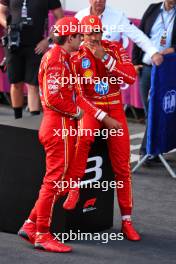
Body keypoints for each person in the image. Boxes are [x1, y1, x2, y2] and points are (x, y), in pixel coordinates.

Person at [63, 15, 141, 241]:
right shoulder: (77, 57)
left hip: (115, 107)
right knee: (84, 138)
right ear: (82, 34)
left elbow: (131, 76)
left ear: (102, 31)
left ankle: (127, 221)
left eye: (96, 32)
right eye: (88, 34)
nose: (93, 38)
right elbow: (76, 95)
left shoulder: (113, 48)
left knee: (122, 165)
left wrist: (105, 58)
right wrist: (98, 114)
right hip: (91, 108)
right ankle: (74, 187)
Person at [18, 17, 83, 253]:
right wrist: (78, 112)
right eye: (79, 36)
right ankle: (42, 234)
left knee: (58, 181)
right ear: (70, 38)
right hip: (59, 126)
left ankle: (30, 224)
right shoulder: (57, 59)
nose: (82, 39)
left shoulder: (61, 56)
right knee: (54, 181)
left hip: (58, 125)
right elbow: (54, 98)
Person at [0, 0, 63, 119]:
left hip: (36, 45)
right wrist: (8, 26)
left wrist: (49, 40)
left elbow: (60, 18)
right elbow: (0, 12)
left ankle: (33, 124)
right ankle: (17, 120)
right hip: (14, 43)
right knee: (16, 83)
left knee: (33, 85)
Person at [132, 0, 176, 162]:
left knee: (159, 109)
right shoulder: (152, 9)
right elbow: (140, 34)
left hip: (166, 70)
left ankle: (148, 150)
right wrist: (135, 61)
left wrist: (174, 49)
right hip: (147, 66)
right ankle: (154, 149)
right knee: (148, 109)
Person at [75, 0, 163, 66]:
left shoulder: (117, 16)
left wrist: (153, 52)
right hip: (84, 67)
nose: (98, 1)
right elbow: (69, 41)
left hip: (108, 69)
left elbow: (137, 35)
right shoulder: (80, 16)